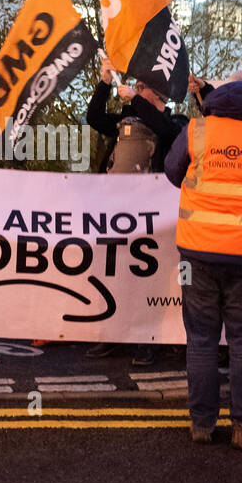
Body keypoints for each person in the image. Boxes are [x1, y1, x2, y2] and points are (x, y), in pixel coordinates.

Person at [164, 74, 242, 449]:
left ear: (217, 103)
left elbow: (173, 173)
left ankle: (202, 424)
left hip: (197, 251)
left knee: (201, 338)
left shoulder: (197, 131)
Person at [85, 55, 188, 365]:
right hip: (120, 212)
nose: (134, 89)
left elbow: (165, 129)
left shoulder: (176, 122)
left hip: (154, 218)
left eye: (141, 87)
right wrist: (104, 83)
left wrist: (135, 101)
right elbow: (93, 117)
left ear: (157, 95)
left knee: (150, 278)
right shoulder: (127, 120)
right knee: (117, 274)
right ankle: (115, 335)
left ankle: (148, 340)